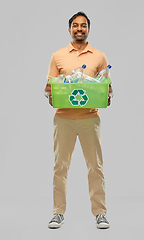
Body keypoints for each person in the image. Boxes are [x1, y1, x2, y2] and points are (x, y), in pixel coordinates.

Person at [44, 12, 113, 229]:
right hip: (63, 118)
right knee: (60, 167)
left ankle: (100, 213)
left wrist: (106, 96)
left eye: (83, 25)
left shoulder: (99, 56)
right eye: (75, 25)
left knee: (95, 166)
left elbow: (107, 89)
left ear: (88, 29)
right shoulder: (58, 56)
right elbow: (49, 89)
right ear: (69, 29)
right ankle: (58, 213)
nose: (79, 29)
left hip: (90, 118)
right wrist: (52, 95)